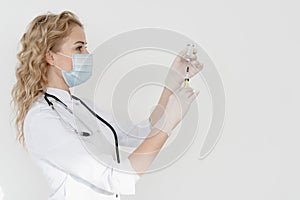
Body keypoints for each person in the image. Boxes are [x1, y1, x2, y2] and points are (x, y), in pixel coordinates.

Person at [11, 11, 203, 200]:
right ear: (50, 57)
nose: (87, 54)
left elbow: (138, 134)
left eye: (86, 47)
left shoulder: (81, 107)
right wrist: (167, 124)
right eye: (78, 48)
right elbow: (114, 177)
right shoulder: (41, 120)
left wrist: (171, 82)